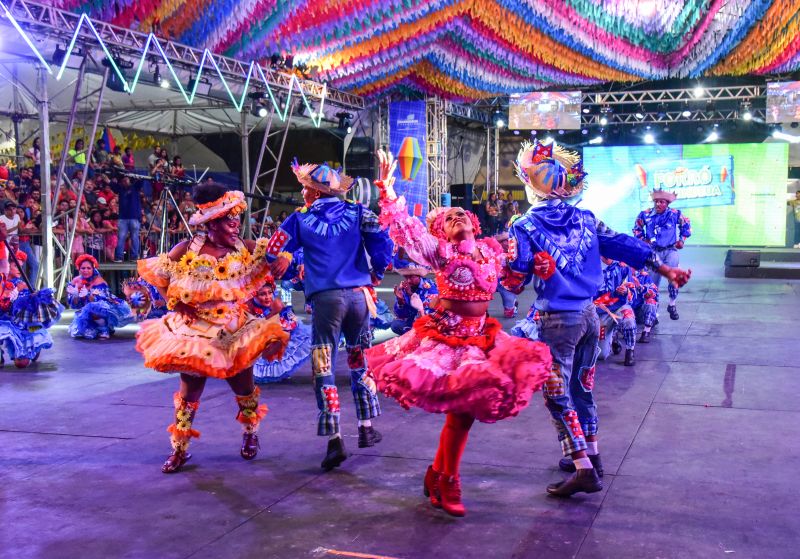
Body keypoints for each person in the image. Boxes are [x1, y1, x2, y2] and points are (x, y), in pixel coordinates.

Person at [367, 150, 551, 517]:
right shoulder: (440, 253)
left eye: (460, 213)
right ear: (441, 232)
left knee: (464, 414)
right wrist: (387, 189)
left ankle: (439, 474)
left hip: (482, 339)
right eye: (448, 218)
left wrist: (542, 269)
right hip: (447, 341)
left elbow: (514, 278)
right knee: (461, 412)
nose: (457, 217)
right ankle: (446, 478)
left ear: (473, 221)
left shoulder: (489, 250)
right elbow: (406, 229)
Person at [503, 140, 691, 497]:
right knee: (582, 388)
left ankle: (582, 466)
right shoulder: (586, 217)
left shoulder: (524, 225)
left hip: (557, 320)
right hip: (590, 316)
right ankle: (592, 453)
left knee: (556, 391)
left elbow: (515, 278)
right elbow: (623, 244)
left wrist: (502, 265)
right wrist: (664, 268)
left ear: (530, 184)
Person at [135, 183, 289, 473]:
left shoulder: (244, 248)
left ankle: (250, 434)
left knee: (244, 388)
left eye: (237, 220)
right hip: (194, 334)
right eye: (230, 221)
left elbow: (279, 251)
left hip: (234, 330)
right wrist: (176, 305)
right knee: (189, 393)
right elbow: (158, 280)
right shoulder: (186, 250)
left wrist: (283, 257)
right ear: (212, 223)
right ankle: (179, 449)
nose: (236, 226)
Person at [266, 159, 393, 470]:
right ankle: (366, 427)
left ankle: (334, 436)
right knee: (358, 359)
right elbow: (382, 246)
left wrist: (289, 262)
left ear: (312, 191)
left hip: (326, 300)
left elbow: (272, 249)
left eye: (304, 189)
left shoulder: (300, 219)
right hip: (360, 298)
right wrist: (376, 272)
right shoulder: (360, 212)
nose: (302, 194)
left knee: (323, 366)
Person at [633, 190, 692, 320]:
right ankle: (652, 315)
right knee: (652, 285)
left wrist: (682, 240)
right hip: (653, 252)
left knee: (673, 277)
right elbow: (636, 229)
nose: (658, 204)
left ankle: (672, 304)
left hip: (670, 250)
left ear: (667, 203)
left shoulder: (675, 214)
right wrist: (643, 240)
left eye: (661, 202)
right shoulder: (645, 214)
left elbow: (686, 225)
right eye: (656, 201)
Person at [0, 249, 62, 367]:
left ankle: (33, 347)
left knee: (21, 363)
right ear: (6, 265)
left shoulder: (22, 285)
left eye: (21, 266)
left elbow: (30, 309)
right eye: (15, 265)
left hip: (21, 325)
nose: (19, 269)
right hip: (4, 320)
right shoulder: (2, 283)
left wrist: (33, 297)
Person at [247, 277, 312, 384]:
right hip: (257, 348)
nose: (267, 297)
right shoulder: (248, 308)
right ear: (254, 295)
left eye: (269, 293)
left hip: (275, 343)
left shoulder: (275, 303)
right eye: (262, 294)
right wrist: (273, 313)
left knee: (307, 332)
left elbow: (288, 320)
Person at [67, 254, 134, 339]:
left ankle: (104, 328)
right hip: (86, 311)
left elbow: (101, 302)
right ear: (79, 269)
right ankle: (100, 326)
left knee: (95, 307)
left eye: (89, 268)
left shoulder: (99, 281)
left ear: (93, 268)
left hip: (106, 308)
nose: (86, 270)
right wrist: (75, 295)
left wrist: (88, 295)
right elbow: (74, 305)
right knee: (84, 332)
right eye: (83, 268)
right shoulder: (76, 281)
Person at [594, 258, 637, 367]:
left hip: (619, 307)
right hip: (599, 311)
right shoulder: (592, 265)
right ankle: (613, 337)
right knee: (601, 355)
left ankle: (629, 351)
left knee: (629, 319)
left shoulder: (623, 266)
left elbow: (633, 292)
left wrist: (626, 291)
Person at [390, 254, 437, 335]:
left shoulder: (430, 287)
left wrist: (411, 295)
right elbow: (401, 315)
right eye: (406, 277)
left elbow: (429, 311)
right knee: (395, 325)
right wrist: (400, 301)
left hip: (428, 320)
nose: (408, 281)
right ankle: (413, 332)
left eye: (411, 277)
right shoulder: (405, 287)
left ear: (419, 276)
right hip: (413, 320)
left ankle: (416, 333)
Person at [112, 177, 142, 262]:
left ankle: (134, 256)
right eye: (123, 180)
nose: (125, 181)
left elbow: (140, 180)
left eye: (126, 180)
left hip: (134, 217)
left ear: (130, 180)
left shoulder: (135, 187)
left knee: (134, 237)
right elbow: (112, 185)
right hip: (123, 218)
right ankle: (119, 257)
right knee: (121, 237)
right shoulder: (121, 189)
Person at [631, 267, 659, 343]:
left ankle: (646, 332)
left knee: (651, 302)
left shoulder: (645, 277)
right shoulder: (619, 274)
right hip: (627, 312)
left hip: (640, 311)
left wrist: (639, 287)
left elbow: (652, 294)